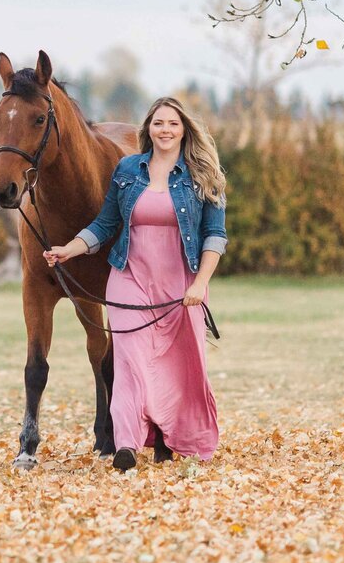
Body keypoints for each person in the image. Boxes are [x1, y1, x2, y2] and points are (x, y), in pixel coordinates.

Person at [43, 96, 227, 471]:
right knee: (127, 360)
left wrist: (200, 284)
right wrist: (70, 249)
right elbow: (106, 224)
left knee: (178, 365)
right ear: (148, 129)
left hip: (181, 283)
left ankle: (170, 436)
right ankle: (125, 443)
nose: (165, 130)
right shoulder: (128, 169)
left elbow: (215, 236)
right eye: (158, 123)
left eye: (172, 124)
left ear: (184, 130)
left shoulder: (203, 175)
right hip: (130, 277)